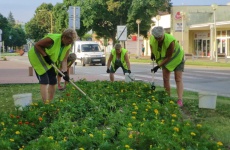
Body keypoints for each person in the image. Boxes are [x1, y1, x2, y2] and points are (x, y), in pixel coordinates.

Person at [28, 28, 78, 103]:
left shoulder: (68, 46)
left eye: (71, 42)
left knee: (53, 80)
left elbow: (64, 60)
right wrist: (45, 56)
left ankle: (50, 103)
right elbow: (37, 45)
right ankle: (46, 104)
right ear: (64, 37)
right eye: (69, 41)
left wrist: (64, 73)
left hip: (49, 59)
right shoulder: (52, 39)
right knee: (44, 80)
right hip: (37, 56)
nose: (70, 43)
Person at [149, 26, 184, 107]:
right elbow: (151, 44)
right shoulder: (152, 38)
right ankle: (167, 98)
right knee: (165, 79)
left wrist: (158, 66)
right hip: (165, 59)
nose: (158, 39)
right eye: (156, 38)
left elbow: (169, 57)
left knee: (178, 78)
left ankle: (180, 100)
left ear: (163, 34)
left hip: (177, 57)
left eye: (159, 37)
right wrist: (152, 53)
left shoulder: (170, 41)